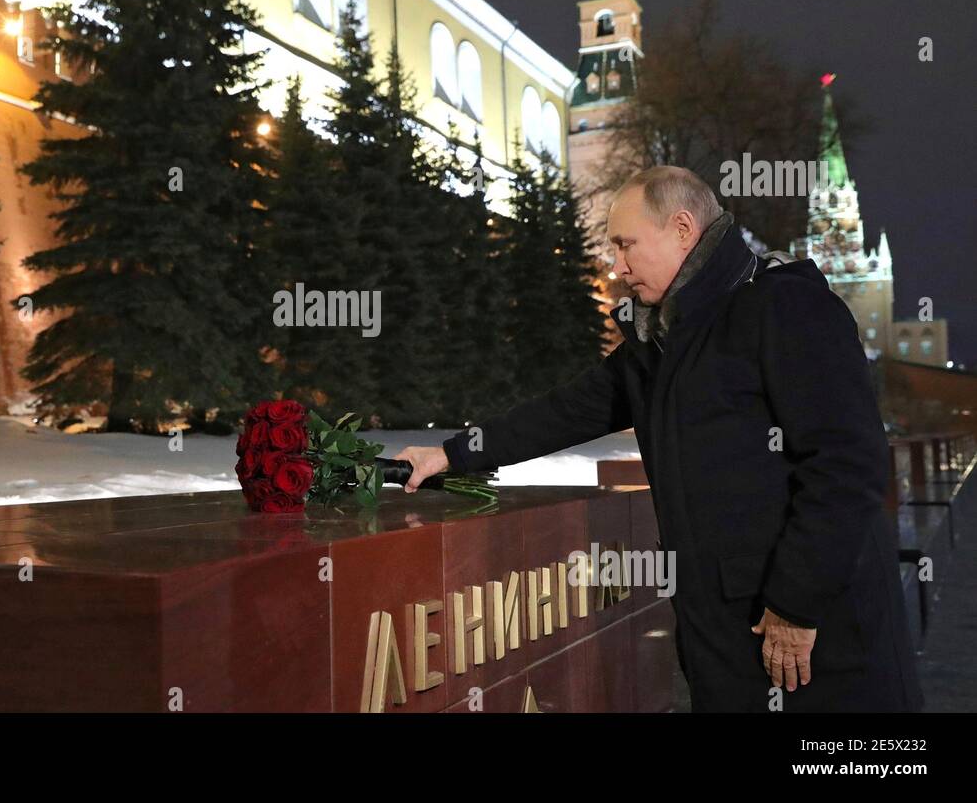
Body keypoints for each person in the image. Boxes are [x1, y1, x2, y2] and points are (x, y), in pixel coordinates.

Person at [395, 165, 923, 712]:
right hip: (724, 634)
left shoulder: (785, 307)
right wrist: (453, 453)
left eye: (626, 246)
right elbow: (562, 412)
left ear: (682, 228)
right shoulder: (660, 341)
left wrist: (796, 604)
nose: (618, 268)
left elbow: (848, 464)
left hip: (814, 638)